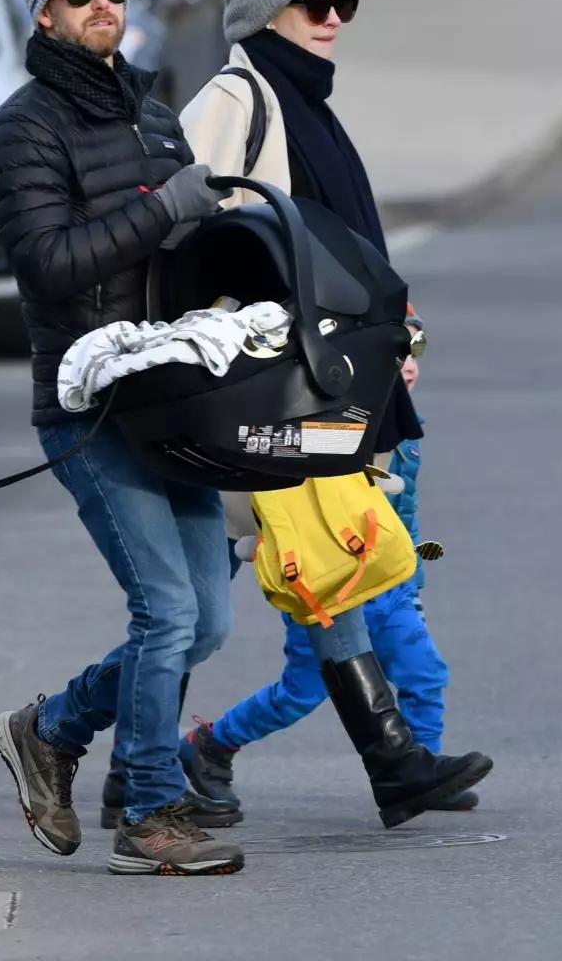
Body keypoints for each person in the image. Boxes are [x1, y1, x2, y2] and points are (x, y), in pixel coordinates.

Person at [169, 0, 492, 827]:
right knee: (189, 615)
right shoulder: (238, 101)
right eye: (315, 0)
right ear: (266, 10)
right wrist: (232, 347)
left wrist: (394, 338)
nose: (334, 15)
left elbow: (344, 259)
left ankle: (392, 765)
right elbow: (188, 239)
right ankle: (103, 744)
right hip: (262, 401)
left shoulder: (308, 108)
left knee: (226, 606)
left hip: (321, 397)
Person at [0, 0, 245, 877]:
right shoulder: (18, 130)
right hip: (88, 407)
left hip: (175, 402)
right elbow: (48, 266)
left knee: (207, 620)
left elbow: (178, 255)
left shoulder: (154, 115)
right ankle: (150, 810)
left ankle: (49, 728)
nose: (103, 2)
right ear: (45, 13)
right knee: (166, 608)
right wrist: (166, 209)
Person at [179, 311, 480, 812]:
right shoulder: (340, 424)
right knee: (301, 691)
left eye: (415, 349)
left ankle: (422, 766)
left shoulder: (403, 428)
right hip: (329, 576)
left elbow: (405, 517)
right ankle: (212, 743)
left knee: (425, 673)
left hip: (390, 580)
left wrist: (413, 578)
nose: (405, 363)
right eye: (394, 351)